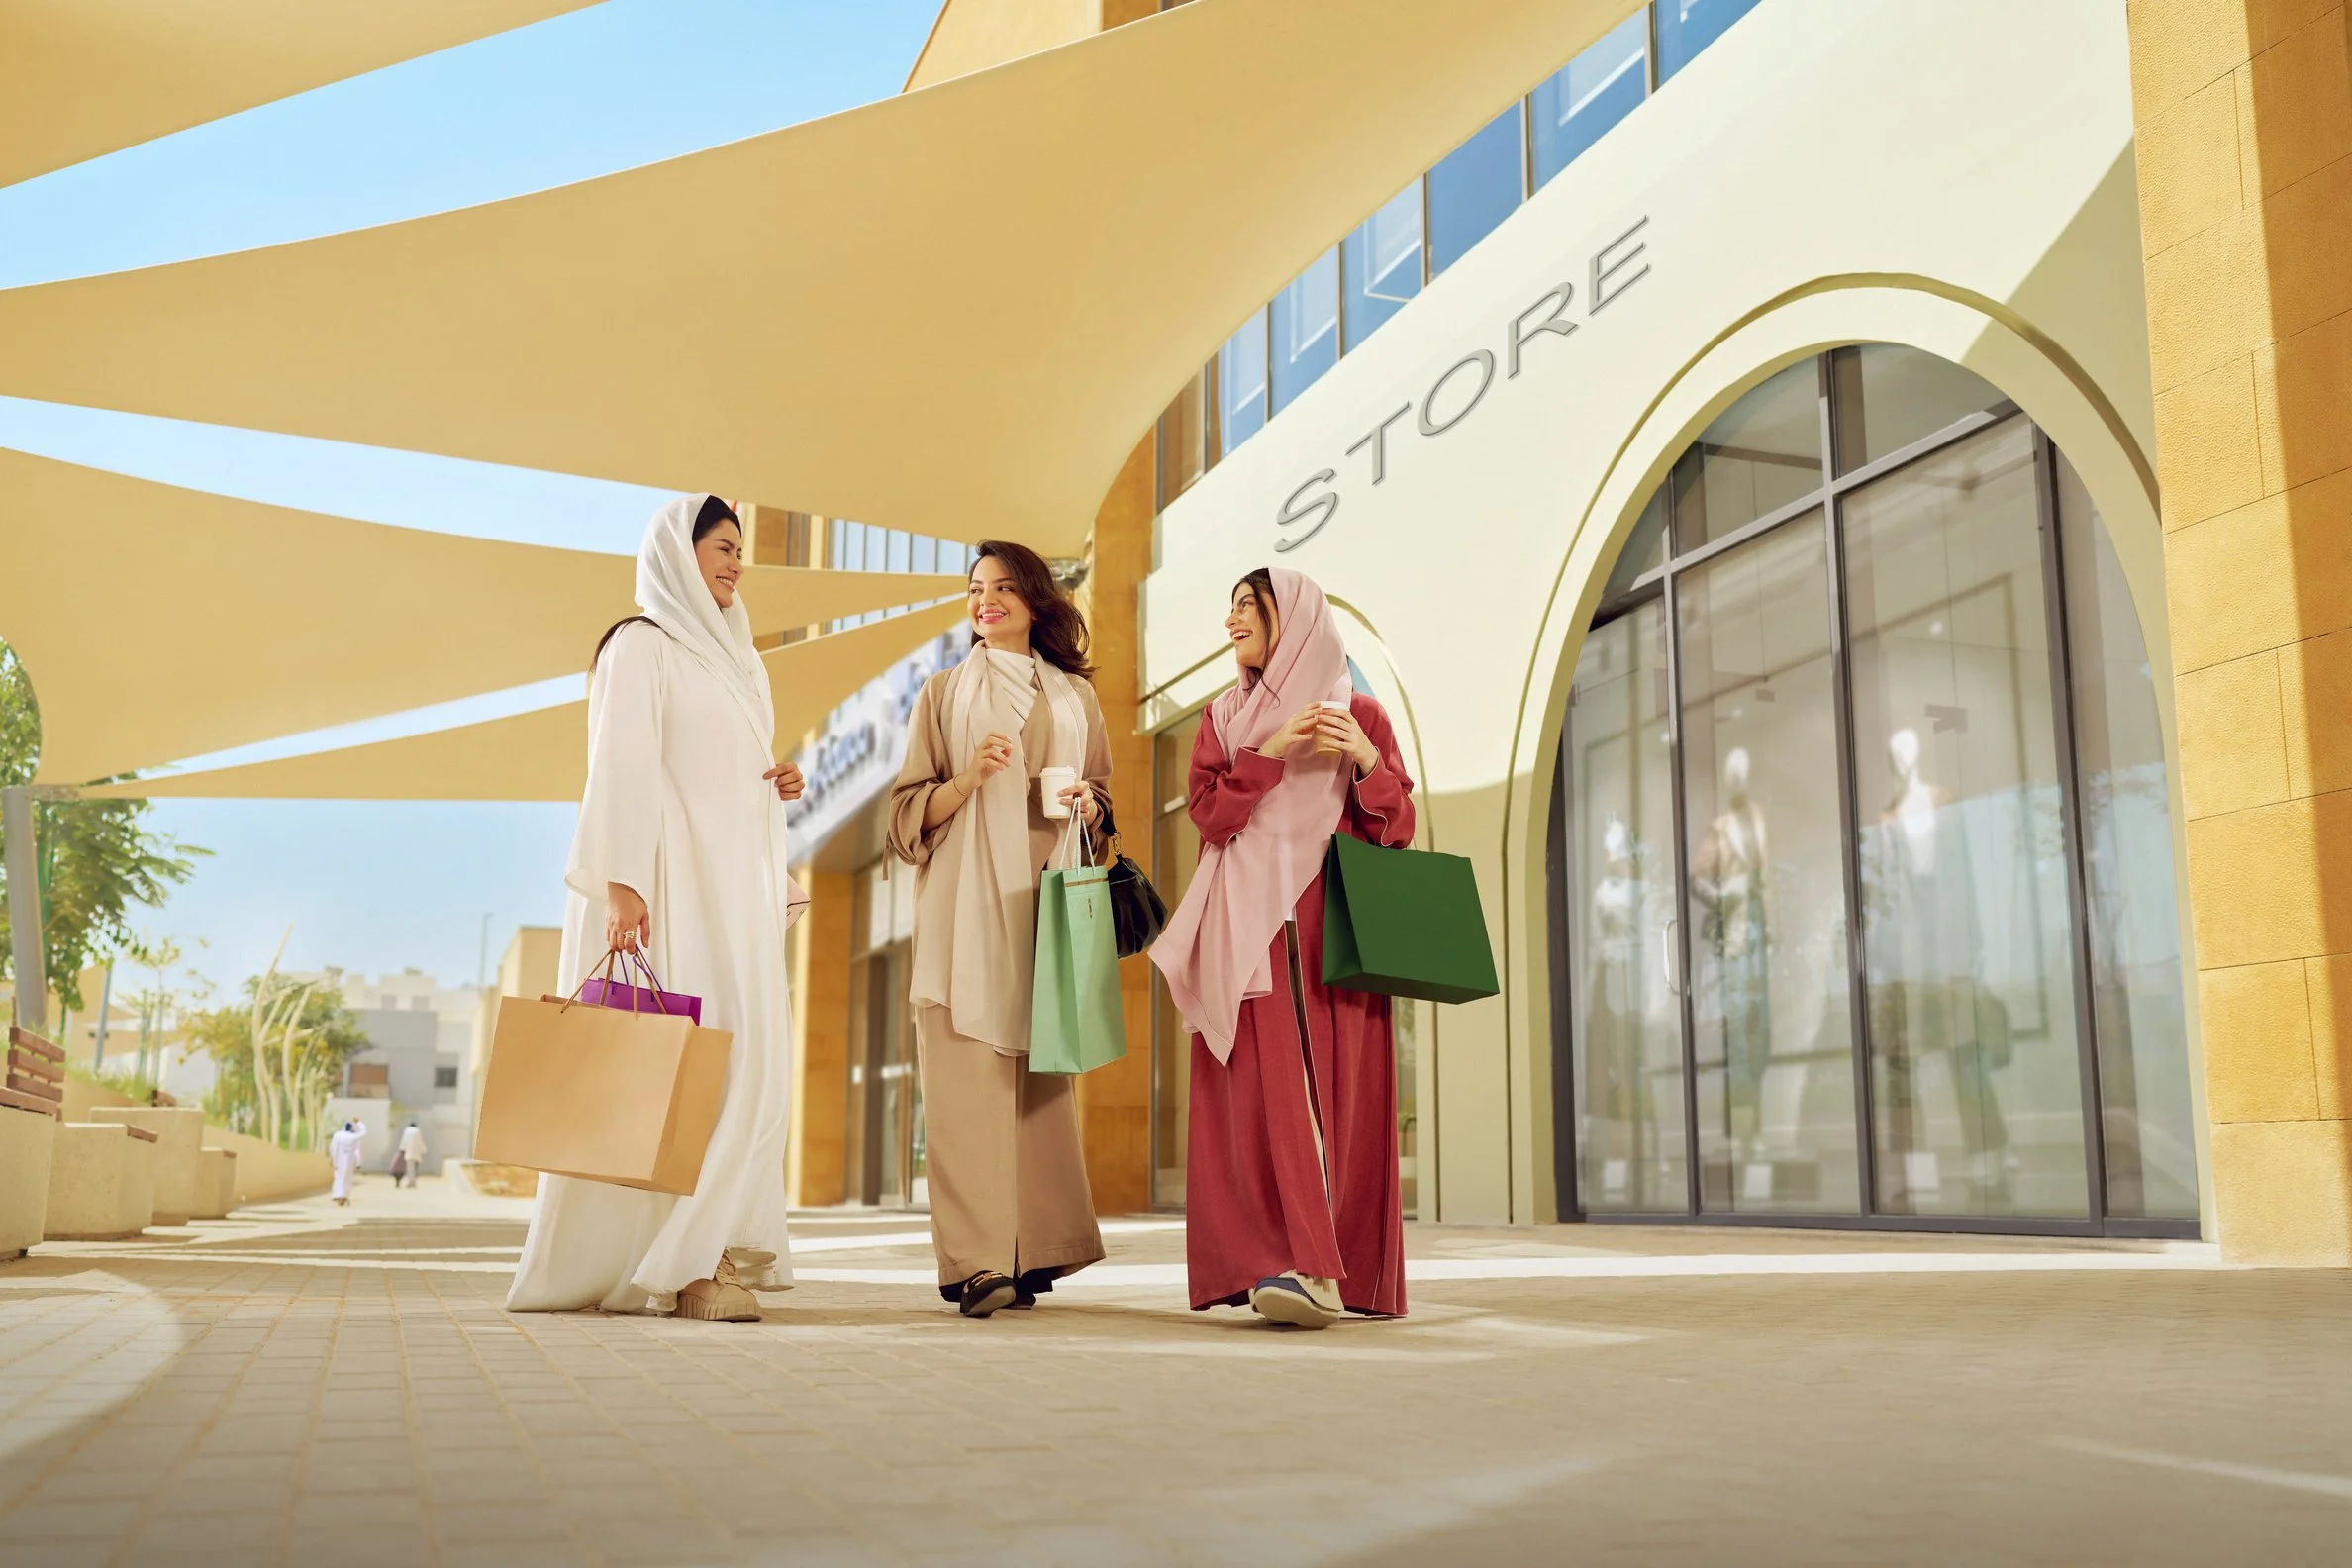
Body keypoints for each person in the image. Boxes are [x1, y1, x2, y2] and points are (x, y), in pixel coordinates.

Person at [507, 493, 810, 1323]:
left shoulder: (745, 660)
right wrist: (624, 885)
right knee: (675, 1074)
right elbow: (622, 766)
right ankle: (684, 1268)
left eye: (740, 549)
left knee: (745, 1070)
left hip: (732, 896)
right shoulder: (640, 646)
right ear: (675, 552)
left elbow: (728, 768)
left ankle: (705, 1251)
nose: (734, 562)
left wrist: (777, 781)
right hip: (666, 893)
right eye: (718, 545)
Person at [1153, 567, 1416, 1329]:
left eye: (1251, 605)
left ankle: (1322, 1270)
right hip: (1246, 930)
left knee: (1327, 1096)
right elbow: (1209, 819)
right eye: (1229, 603)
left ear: (1293, 619)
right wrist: (1266, 750)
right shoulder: (1224, 719)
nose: (1233, 617)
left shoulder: (1358, 711)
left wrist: (1365, 757)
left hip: (1331, 933)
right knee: (1262, 1098)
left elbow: (1395, 829)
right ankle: (1281, 1262)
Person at [887, 541, 1110, 1318]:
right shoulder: (943, 692)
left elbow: (1105, 795)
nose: (986, 601)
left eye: (1004, 587)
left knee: (1040, 1086)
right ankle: (977, 1263)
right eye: (976, 589)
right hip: (964, 907)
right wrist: (967, 781)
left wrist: (1089, 802)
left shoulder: (1075, 696)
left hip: (1044, 902)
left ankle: (1034, 1250)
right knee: (965, 1084)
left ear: (1036, 598)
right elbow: (905, 816)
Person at [329, 1120, 363, 1207]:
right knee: (347, 1178)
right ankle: (343, 1195)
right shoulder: (354, 1137)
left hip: (338, 1160)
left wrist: (332, 1160)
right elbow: (357, 1151)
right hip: (349, 1161)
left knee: (338, 1177)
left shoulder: (337, 1136)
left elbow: (333, 1149)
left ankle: (338, 1194)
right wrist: (358, 1162)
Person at [397, 1122, 427, 1189]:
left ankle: (411, 1182)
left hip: (408, 1151)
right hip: (416, 1152)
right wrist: (423, 1150)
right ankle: (412, 1181)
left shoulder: (407, 1131)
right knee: (413, 1168)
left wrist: (402, 1149)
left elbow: (404, 1141)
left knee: (409, 1168)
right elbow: (420, 1141)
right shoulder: (417, 1131)